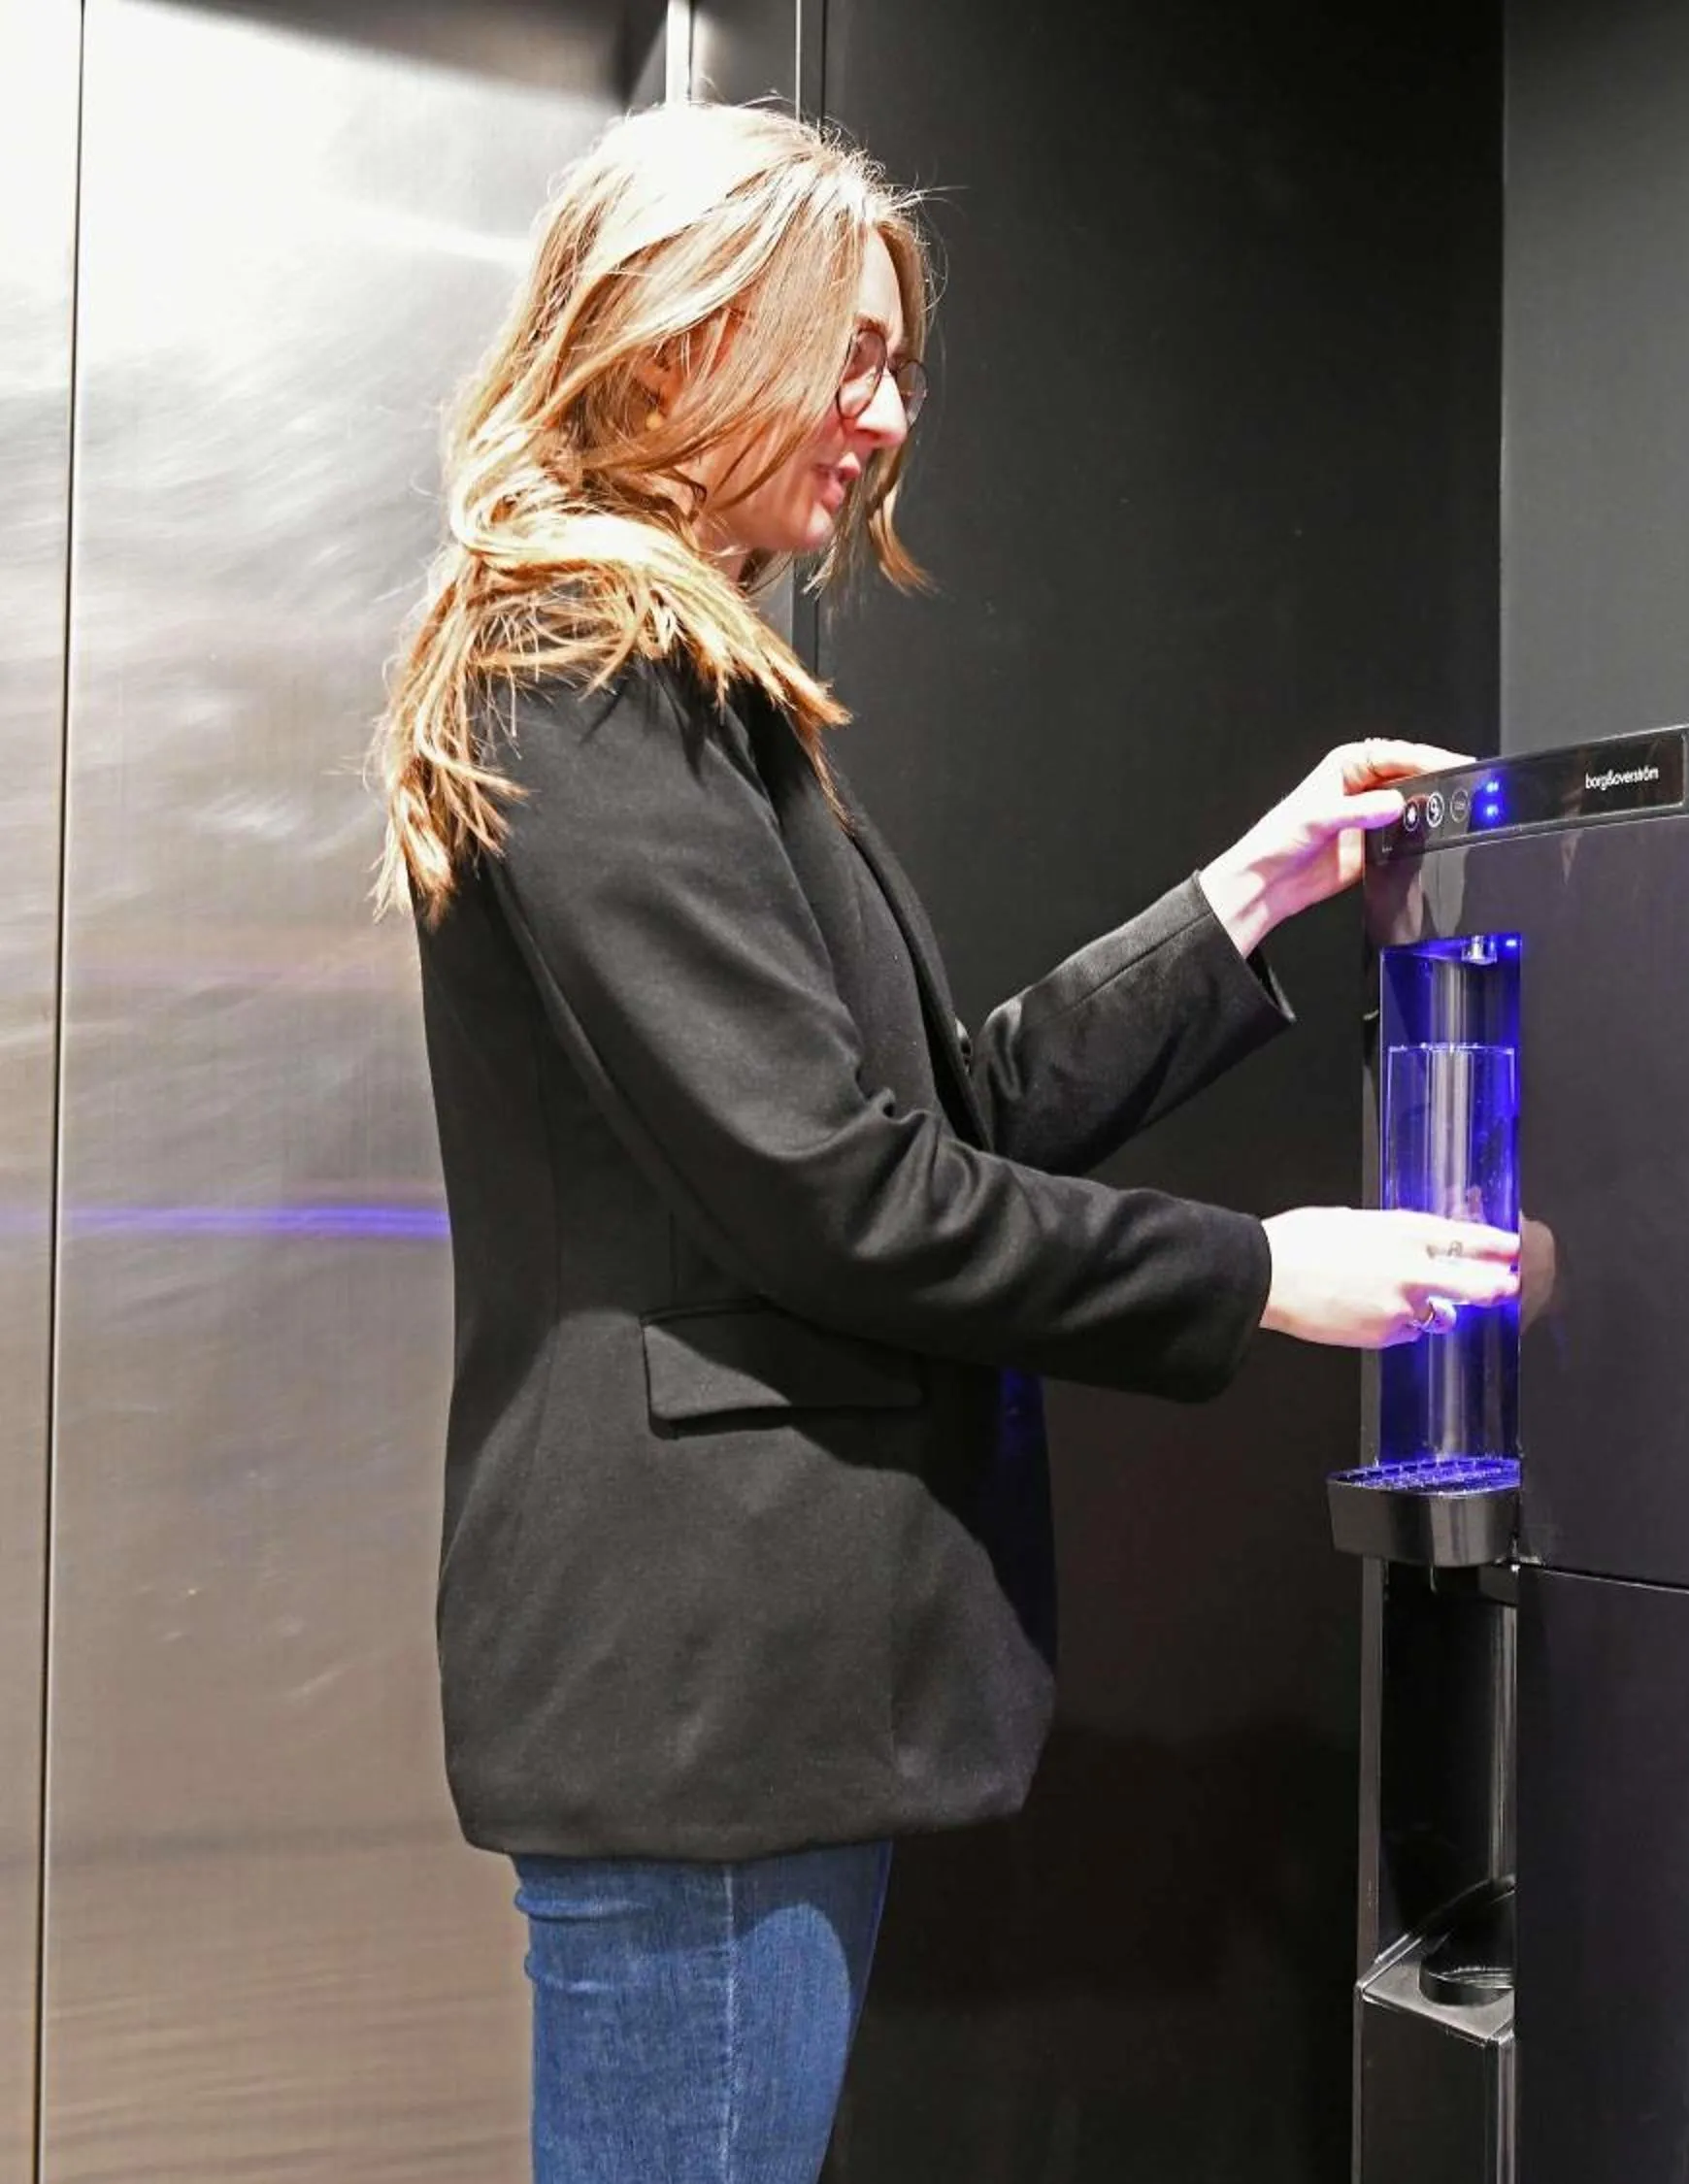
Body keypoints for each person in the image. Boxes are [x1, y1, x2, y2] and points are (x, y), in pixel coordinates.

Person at [369, 101, 1516, 2184]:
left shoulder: (686, 687)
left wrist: (1243, 894)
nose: (886, 415)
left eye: (903, 362)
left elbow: (929, 1120)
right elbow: (839, 1194)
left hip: (749, 1694)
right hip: (698, 1691)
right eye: (852, 354)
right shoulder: (581, 667)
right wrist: (1258, 1276)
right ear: (673, 347)